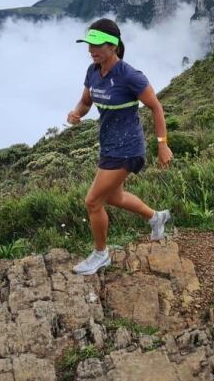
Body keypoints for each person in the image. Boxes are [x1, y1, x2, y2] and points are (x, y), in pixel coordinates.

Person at [68, 18, 174, 275]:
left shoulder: (130, 76)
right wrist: (76, 113)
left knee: (93, 202)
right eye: (88, 44)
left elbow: (156, 107)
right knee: (114, 196)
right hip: (108, 145)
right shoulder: (93, 71)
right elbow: (85, 101)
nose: (91, 50)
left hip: (128, 148)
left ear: (113, 46)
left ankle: (101, 254)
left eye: (97, 45)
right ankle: (155, 217)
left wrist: (162, 145)